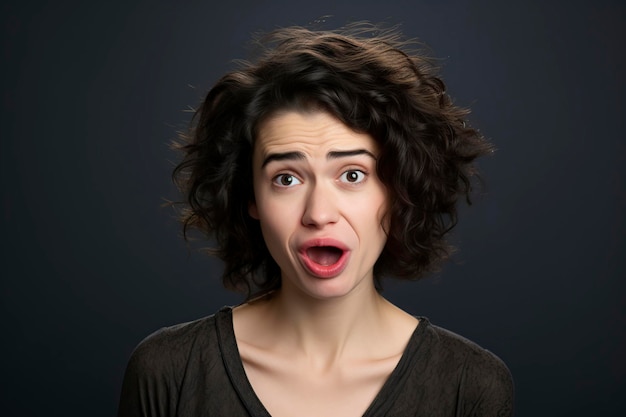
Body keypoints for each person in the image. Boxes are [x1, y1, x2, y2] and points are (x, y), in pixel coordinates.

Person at [118, 23, 514, 417]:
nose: (319, 214)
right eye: (286, 178)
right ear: (250, 196)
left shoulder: (470, 385)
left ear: (397, 191)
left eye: (352, 175)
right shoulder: (169, 372)